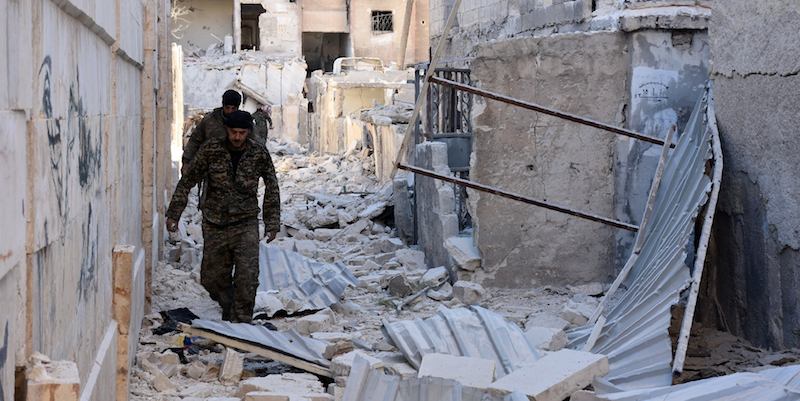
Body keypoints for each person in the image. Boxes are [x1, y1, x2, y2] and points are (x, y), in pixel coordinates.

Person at [166, 110, 281, 323]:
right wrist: (174, 212)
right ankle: (229, 307)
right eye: (233, 132)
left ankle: (242, 324)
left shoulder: (258, 153)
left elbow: (272, 186)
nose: (237, 137)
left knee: (247, 278)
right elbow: (188, 180)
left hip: (245, 223)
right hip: (215, 224)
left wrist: (272, 222)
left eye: (242, 133)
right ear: (226, 130)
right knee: (211, 280)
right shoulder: (211, 150)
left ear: (248, 132)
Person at [182, 89, 259, 174]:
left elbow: (257, 143)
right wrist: (186, 161)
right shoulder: (209, 121)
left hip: (238, 171)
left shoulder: (245, 122)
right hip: (212, 171)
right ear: (223, 105)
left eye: (233, 108)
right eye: (227, 107)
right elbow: (195, 141)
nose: (230, 111)